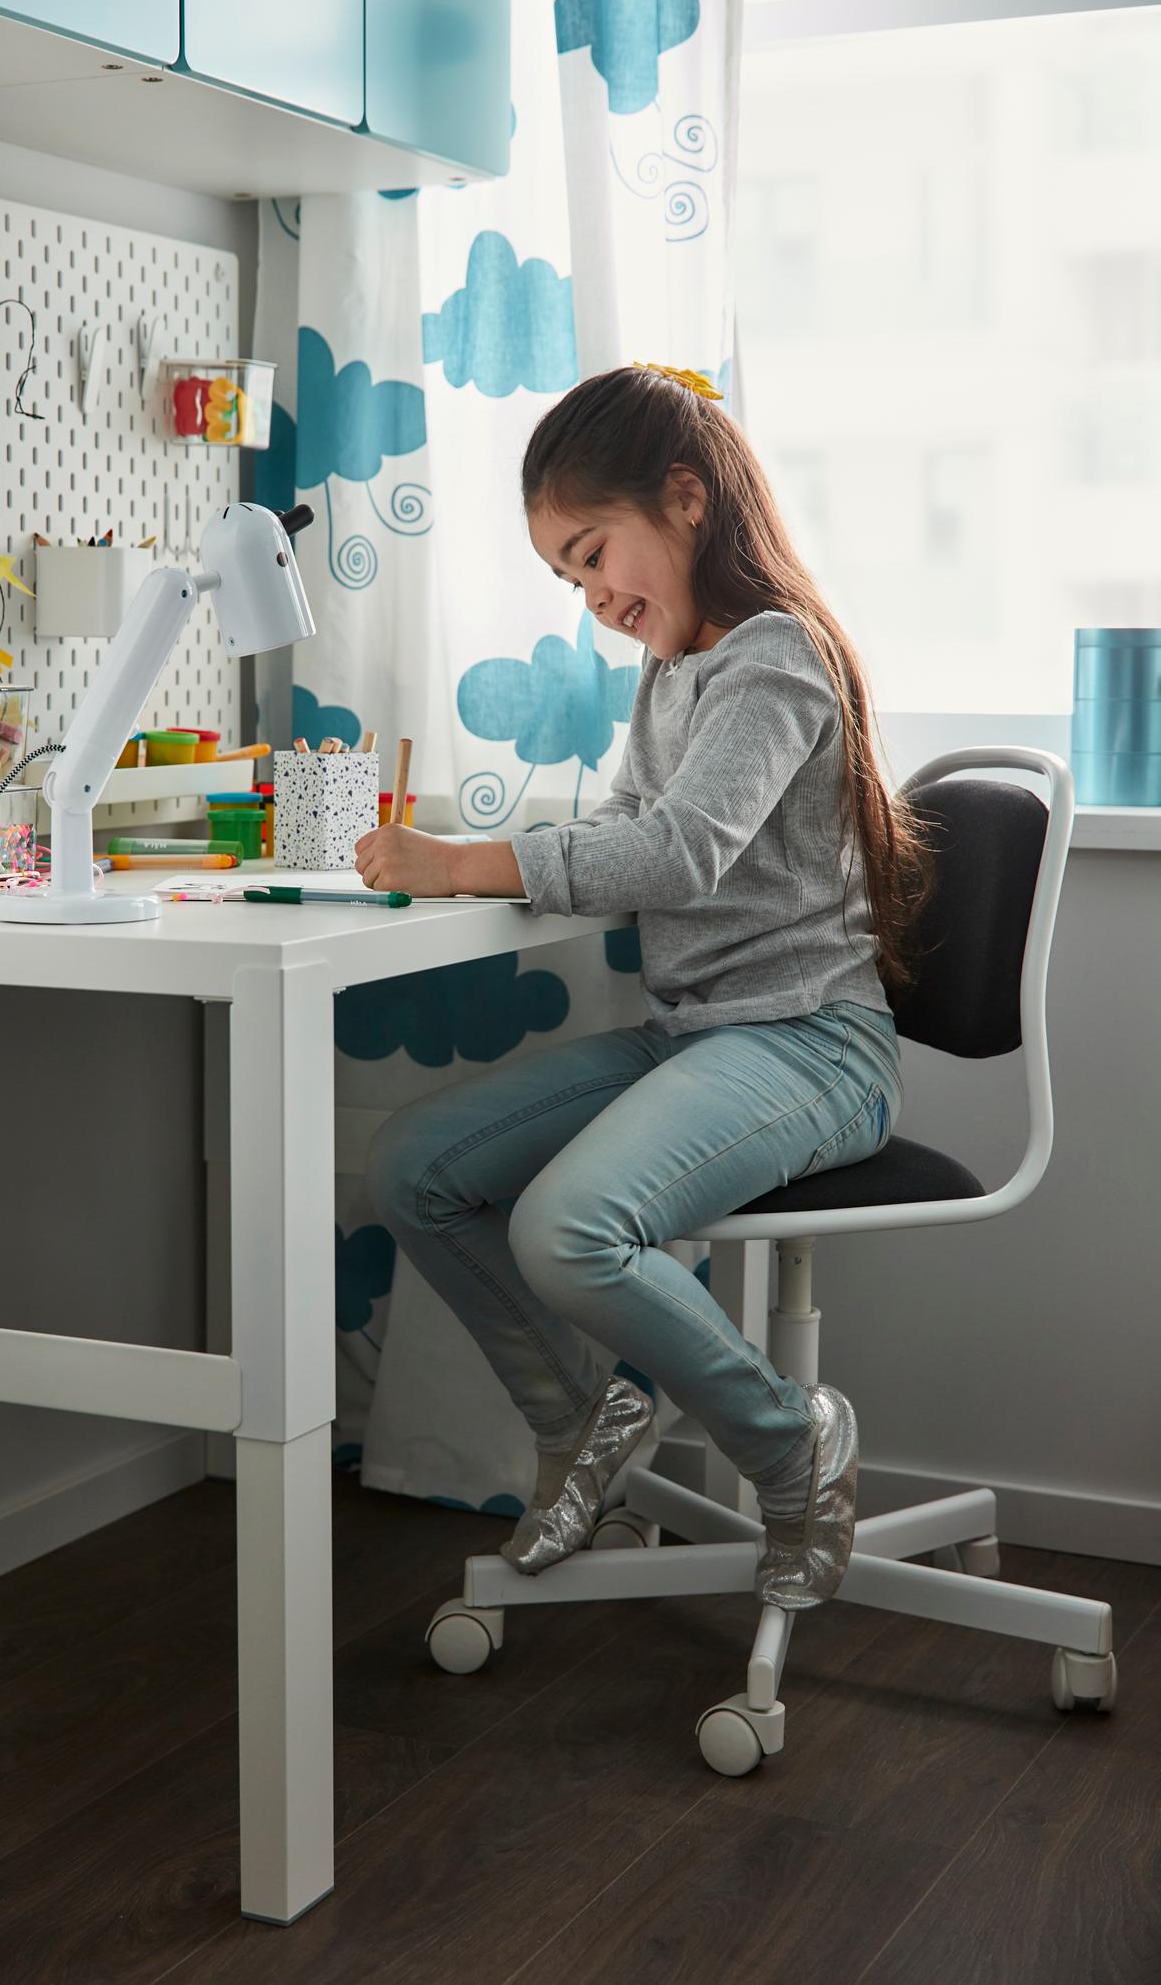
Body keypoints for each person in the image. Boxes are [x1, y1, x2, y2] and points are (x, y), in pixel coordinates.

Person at [353, 361, 938, 1610]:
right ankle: (583, 1418)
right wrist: (481, 865)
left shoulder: (774, 657)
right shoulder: (671, 671)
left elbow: (678, 852)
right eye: (566, 575)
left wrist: (467, 861)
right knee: (417, 1166)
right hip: (695, 1038)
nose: (590, 597)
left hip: (811, 1046)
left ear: (682, 499)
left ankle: (791, 1442)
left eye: (591, 551)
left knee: (565, 1226)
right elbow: (630, 827)